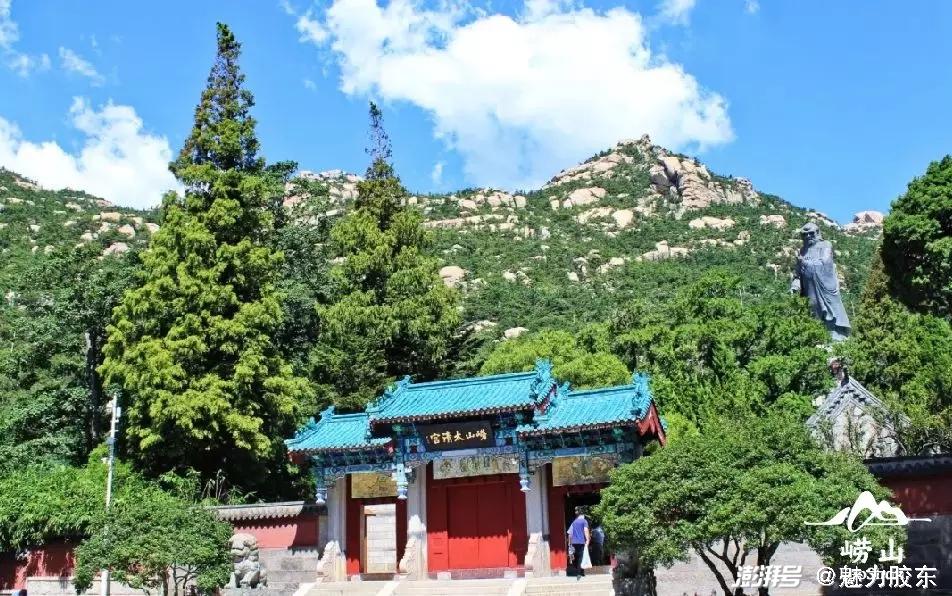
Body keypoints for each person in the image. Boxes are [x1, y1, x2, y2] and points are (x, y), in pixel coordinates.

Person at [567, 506, 590, 578]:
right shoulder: (584, 521)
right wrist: (588, 539)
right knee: (581, 557)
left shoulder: (574, 522)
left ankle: (581, 572)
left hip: (574, 542)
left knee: (576, 556)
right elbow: (586, 530)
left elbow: (570, 534)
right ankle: (579, 573)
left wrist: (569, 543)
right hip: (581, 542)